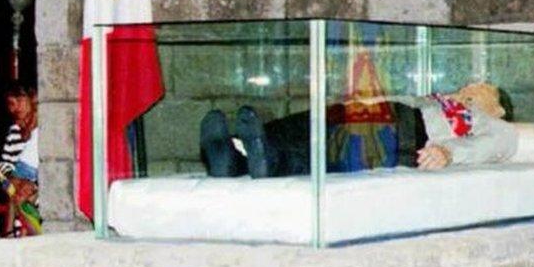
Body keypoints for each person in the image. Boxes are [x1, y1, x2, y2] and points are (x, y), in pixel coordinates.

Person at [200, 82, 517, 177]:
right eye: (465, 87)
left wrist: (448, 151)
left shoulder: (494, 124)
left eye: (481, 90)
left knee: (336, 150)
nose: (466, 90)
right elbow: (401, 99)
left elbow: (493, 145)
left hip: (407, 132)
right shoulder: (435, 100)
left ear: (499, 108)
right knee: (314, 122)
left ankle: (269, 160)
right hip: (387, 110)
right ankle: (237, 152)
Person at [0, 84, 41, 237]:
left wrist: (34, 186)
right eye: (11, 103)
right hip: (17, 194)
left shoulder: (43, 127)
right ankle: (8, 232)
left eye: (20, 100)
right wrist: (11, 178)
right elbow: (5, 163)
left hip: (37, 198)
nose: (16, 107)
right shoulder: (14, 131)